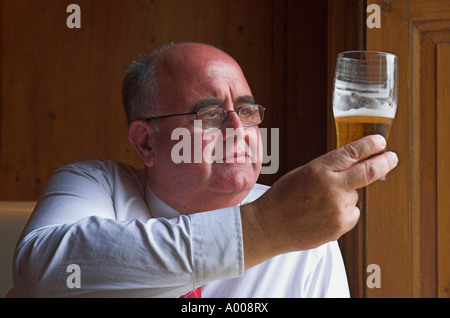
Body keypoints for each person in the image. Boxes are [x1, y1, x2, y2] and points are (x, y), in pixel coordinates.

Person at [12, 42, 398, 297]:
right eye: (210, 114)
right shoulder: (95, 185)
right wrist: (266, 228)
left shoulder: (307, 229)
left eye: (247, 111)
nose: (238, 130)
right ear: (146, 142)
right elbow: (40, 270)